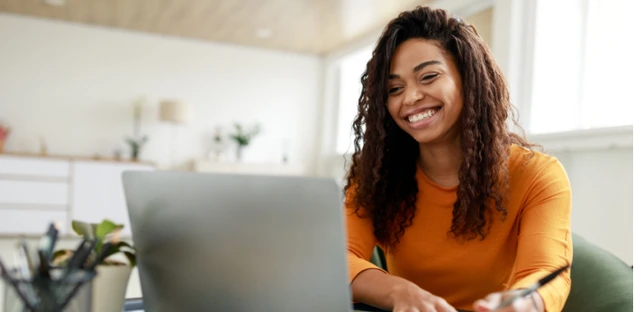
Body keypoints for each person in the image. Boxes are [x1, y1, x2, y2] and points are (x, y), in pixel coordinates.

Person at [344, 6, 572, 312]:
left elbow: (546, 272)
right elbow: (335, 258)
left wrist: (523, 304)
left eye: (428, 76)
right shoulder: (378, 175)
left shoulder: (537, 175)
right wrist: (398, 291)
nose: (410, 98)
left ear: (468, 78)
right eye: (395, 89)